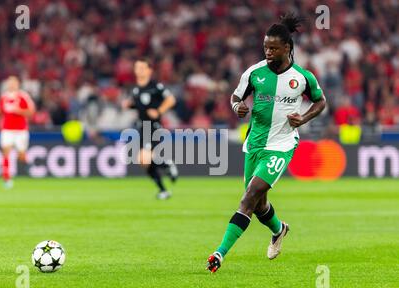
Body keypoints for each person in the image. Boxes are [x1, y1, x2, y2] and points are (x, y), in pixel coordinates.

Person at [206, 14, 326, 272]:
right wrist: (237, 106)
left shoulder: (302, 77)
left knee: (248, 197)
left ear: (287, 48)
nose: (268, 52)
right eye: (265, 48)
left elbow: (320, 101)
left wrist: (303, 118)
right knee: (259, 204)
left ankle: (219, 254)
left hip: (282, 145)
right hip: (254, 144)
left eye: (273, 48)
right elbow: (236, 96)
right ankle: (279, 228)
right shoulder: (254, 73)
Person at [122, 58, 179, 200]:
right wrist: (128, 105)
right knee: (143, 160)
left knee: (144, 158)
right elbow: (138, 105)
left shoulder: (155, 86)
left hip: (153, 126)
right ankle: (164, 184)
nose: (138, 70)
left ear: (149, 71)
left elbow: (171, 100)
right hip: (142, 127)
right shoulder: (135, 89)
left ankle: (166, 166)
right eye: (136, 67)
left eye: (142, 67)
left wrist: (159, 111)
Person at [0, 76, 35, 188]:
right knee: (6, 152)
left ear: (18, 84)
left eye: (13, 83)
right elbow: (1, 113)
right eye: (9, 83)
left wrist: (18, 110)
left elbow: (31, 112)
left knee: (21, 156)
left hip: (20, 130)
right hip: (7, 129)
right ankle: (6, 179)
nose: (11, 85)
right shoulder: (4, 97)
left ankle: (29, 168)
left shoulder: (23, 96)